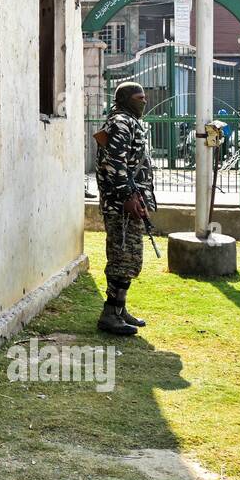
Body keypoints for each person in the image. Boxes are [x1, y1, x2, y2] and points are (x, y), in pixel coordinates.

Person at [95, 81, 156, 336]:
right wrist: (128, 195)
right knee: (122, 256)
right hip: (121, 204)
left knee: (129, 256)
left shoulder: (129, 121)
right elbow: (114, 162)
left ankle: (119, 309)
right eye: (139, 97)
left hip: (130, 200)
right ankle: (110, 314)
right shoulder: (121, 121)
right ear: (126, 99)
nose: (144, 101)